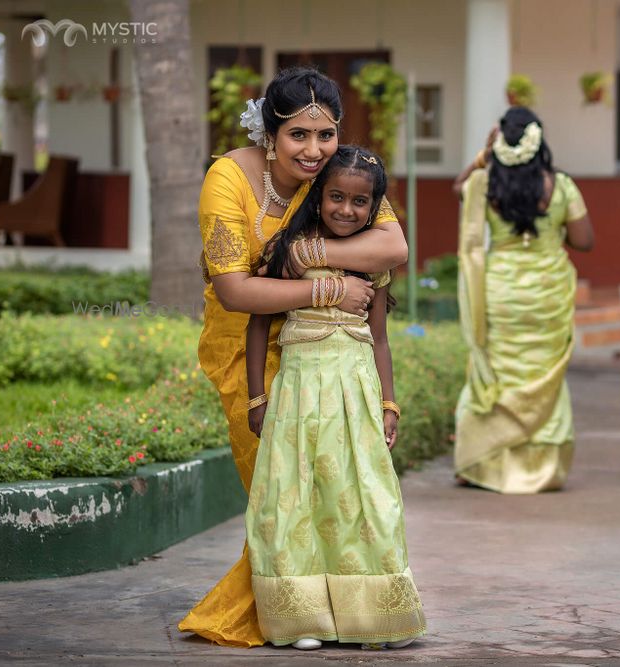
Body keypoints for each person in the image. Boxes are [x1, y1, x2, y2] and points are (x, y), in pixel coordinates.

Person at [180, 68, 408, 648]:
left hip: (333, 357)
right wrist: (324, 286)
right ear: (269, 134)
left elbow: (393, 246)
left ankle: (336, 611)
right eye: (298, 137)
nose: (313, 151)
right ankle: (294, 609)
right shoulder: (227, 180)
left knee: (334, 489)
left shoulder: (335, 174)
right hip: (247, 350)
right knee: (281, 492)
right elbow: (235, 290)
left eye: (325, 135)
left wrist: (306, 252)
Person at [245, 145, 425, 650]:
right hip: (299, 391)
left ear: (375, 206)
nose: (346, 210)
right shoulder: (292, 249)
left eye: (360, 202)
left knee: (366, 498)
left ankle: (374, 616)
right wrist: (257, 398)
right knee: (293, 497)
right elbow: (259, 324)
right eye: (336, 198)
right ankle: (302, 618)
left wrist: (389, 404)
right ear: (318, 197)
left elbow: (381, 339)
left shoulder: (373, 262)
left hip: (355, 392)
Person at [452, 107, 594, 494]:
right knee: (543, 376)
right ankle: (541, 465)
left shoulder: (486, 183)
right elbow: (585, 241)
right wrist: (552, 228)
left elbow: (457, 189)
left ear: (500, 143)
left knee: (497, 372)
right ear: (538, 141)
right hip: (548, 293)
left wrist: (482, 158)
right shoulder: (561, 186)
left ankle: (479, 460)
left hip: (501, 292)